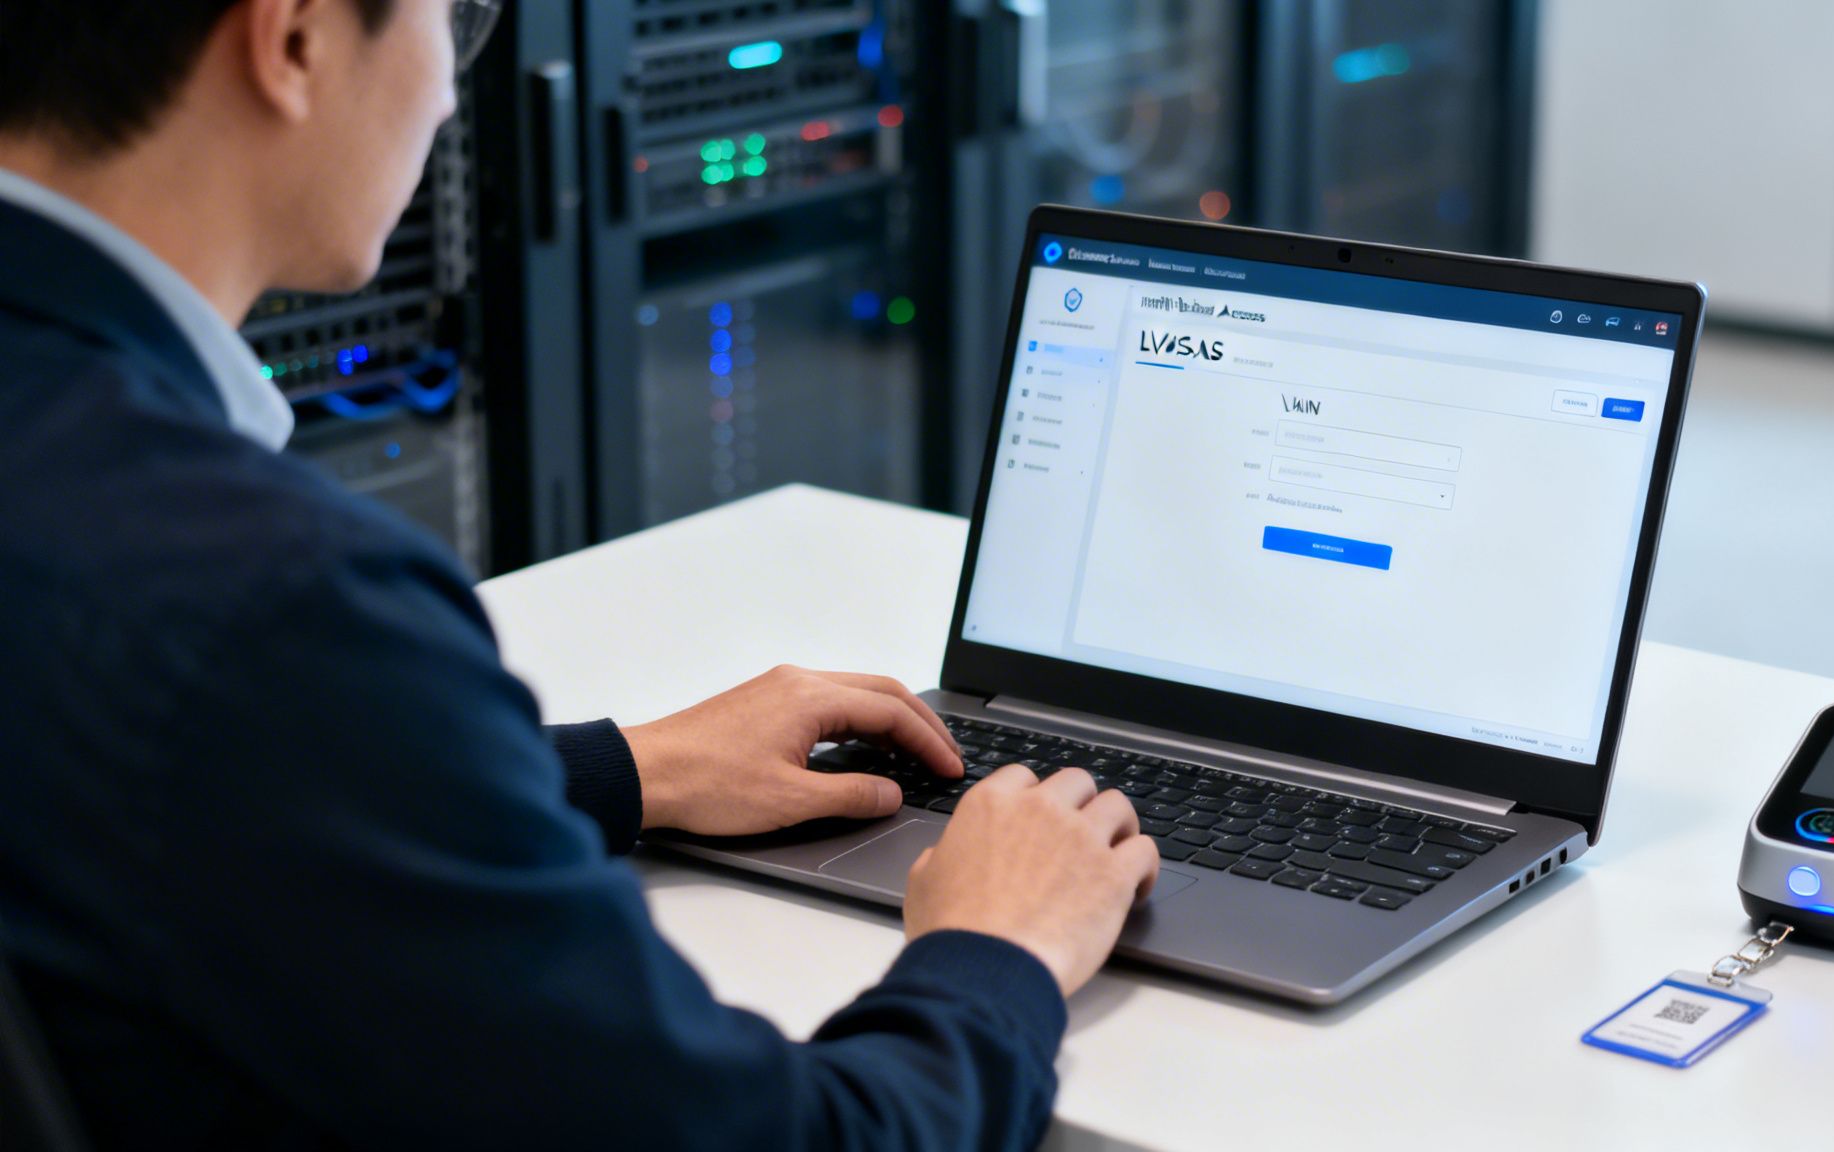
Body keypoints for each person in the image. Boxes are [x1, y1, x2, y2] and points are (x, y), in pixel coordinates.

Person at [0, 1, 1159, 1146]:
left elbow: (213, 784)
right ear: (293, 40)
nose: (450, 94)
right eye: (449, 23)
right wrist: (998, 946)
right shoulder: (282, 604)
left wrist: (625, 770)